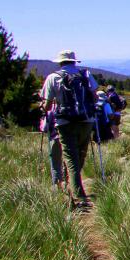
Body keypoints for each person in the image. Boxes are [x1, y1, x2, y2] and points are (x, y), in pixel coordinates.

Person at [41, 50, 98, 209]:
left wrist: (44, 109)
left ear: (60, 62)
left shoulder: (53, 78)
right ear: (74, 61)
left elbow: (47, 105)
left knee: (71, 158)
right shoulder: (85, 74)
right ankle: (73, 184)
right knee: (80, 154)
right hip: (86, 120)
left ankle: (77, 195)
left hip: (65, 122)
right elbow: (95, 97)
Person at [39, 102, 64, 190]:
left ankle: (57, 187)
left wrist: (42, 120)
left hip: (55, 138)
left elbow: (44, 128)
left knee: (55, 163)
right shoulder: (64, 107)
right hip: (67, 138)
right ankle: (68, 184)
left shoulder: (50, 111)